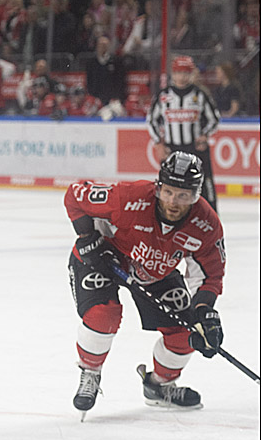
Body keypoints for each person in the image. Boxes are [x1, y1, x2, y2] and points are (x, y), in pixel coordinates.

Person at [66, 152, 225, 419]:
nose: (174, 202)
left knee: (186, 332)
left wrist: (203, 313)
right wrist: (87, 236)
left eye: (184, 195)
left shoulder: (205, 225)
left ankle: (159, 387)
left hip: (155, 272)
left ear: (197, 195)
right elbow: (74, 195)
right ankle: (90, 372)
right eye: (169, 192)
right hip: (102, 258)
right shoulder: (129, 197)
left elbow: (210, 276)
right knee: (104, 315)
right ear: (158, 186)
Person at [147, 56, 221, 211]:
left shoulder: (200, 95)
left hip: (195, 148)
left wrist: (205, 135)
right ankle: (166, 219)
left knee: (205, 186)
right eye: (179, 72)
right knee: (169, 188)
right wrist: (158, 143)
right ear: (173, 73)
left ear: (192, 74)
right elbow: (151, 120)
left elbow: (214, 119)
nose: (182, 77)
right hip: (171, 149)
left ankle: (212, 218)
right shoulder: (163, 96)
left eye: (186, 73)